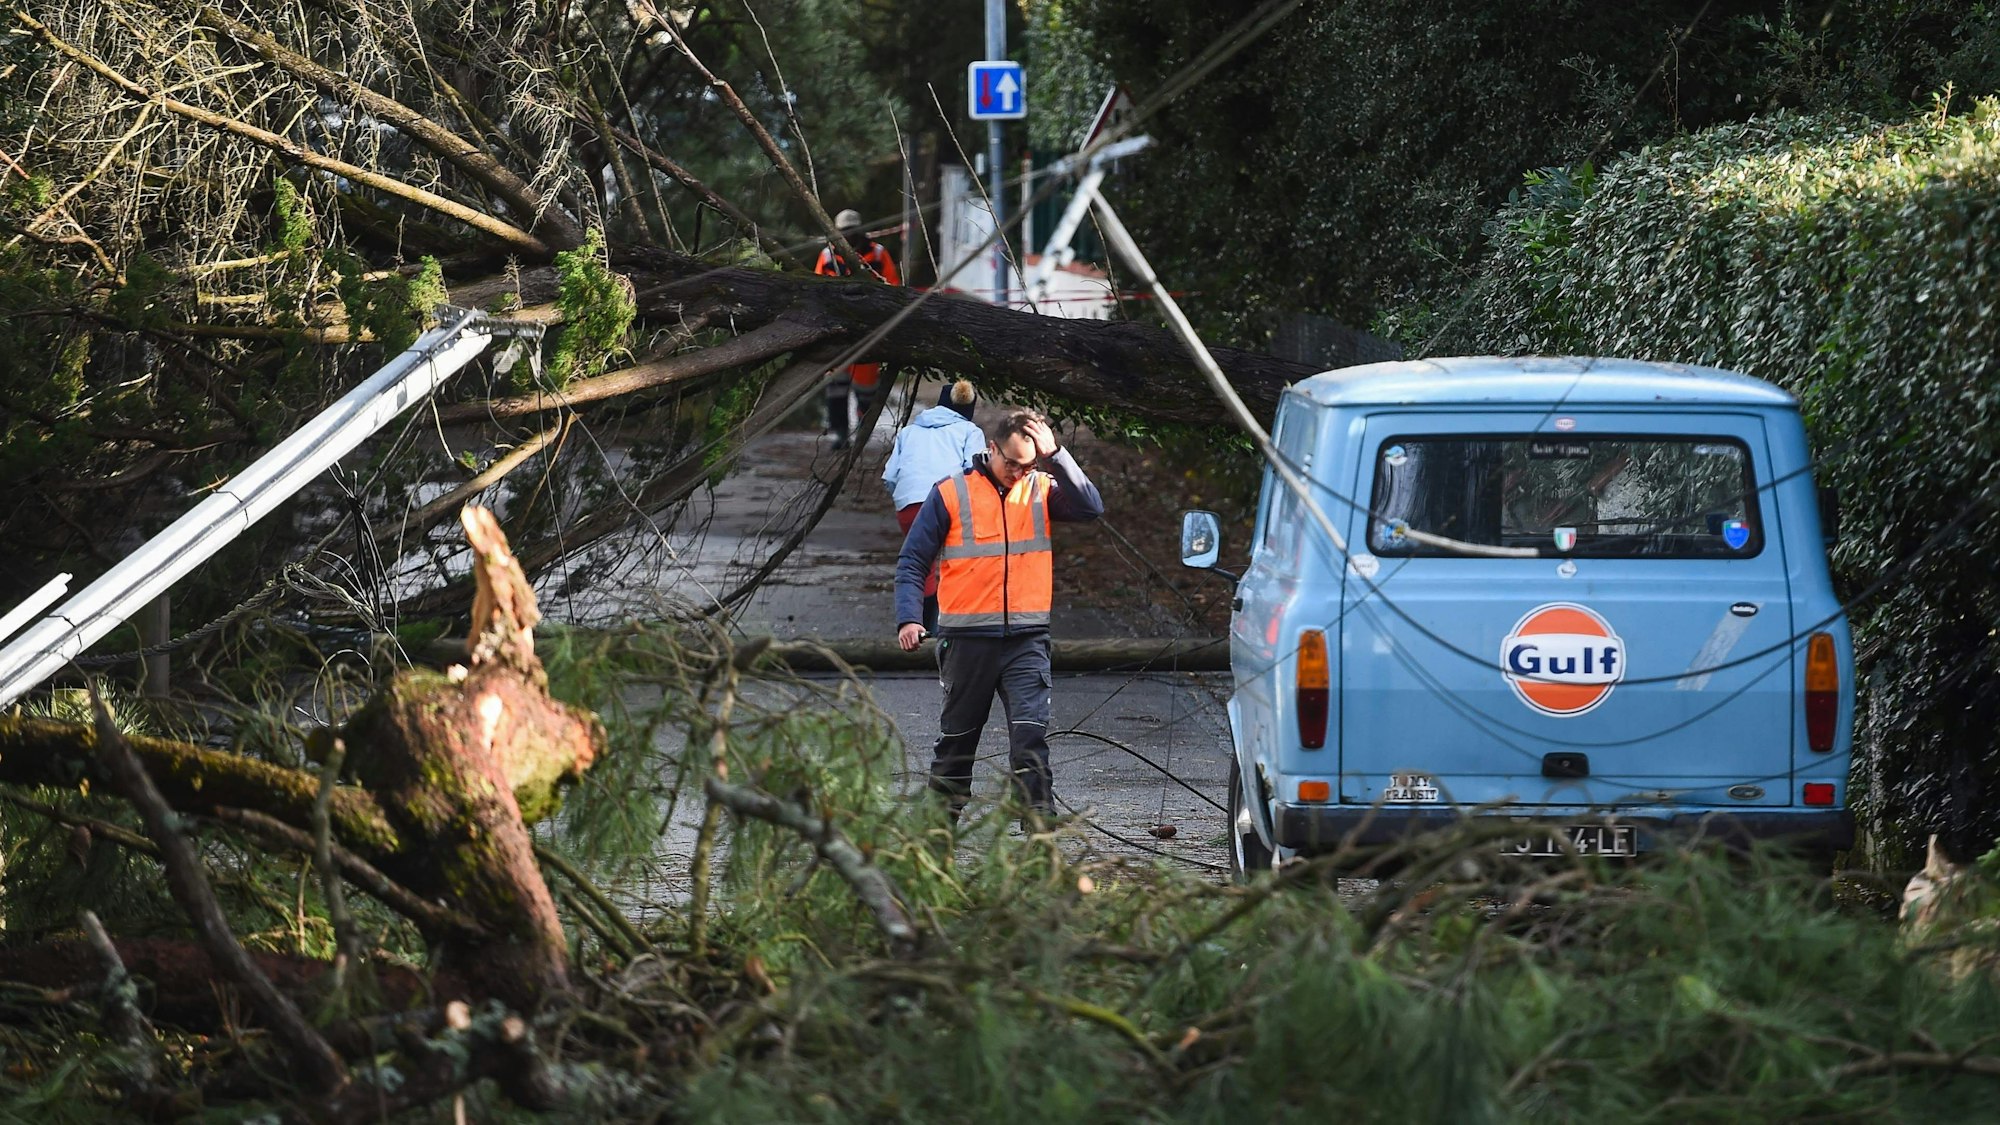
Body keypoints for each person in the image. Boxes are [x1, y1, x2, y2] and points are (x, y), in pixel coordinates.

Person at [894, 409, 1103, 824]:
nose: (1017, 472)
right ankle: (938, 836)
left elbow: (1091, 508)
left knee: (1030, 739)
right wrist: (909, 618)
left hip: (1026, 641)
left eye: (1027, 464)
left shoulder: (1041, 488)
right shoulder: (951, 493)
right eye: (1011, 462)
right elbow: (913, 560)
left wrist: (1056, 454)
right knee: (957, 743)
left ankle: (1040, 835)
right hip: (967, 642)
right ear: (991, 449)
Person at [883, 379, 985, 632]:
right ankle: (950, 628)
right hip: (949, 503)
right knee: (956, 563)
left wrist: (907, 496)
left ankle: (920, 628)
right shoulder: (970, 431)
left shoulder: (908, 432)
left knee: (921, 566)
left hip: (909, 504)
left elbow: (890, 476)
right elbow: (975, 472)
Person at [814, 208, 902, 449]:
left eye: (851, 231)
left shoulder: (877, 254)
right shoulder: (827, 255)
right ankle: (839, 435)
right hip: (837, 334)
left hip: (868, 334)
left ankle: (864, 434)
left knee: (866, 391)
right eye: (843, 232)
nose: (847, 236)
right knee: (836, 388)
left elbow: (894, 289)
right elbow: (816, 290)